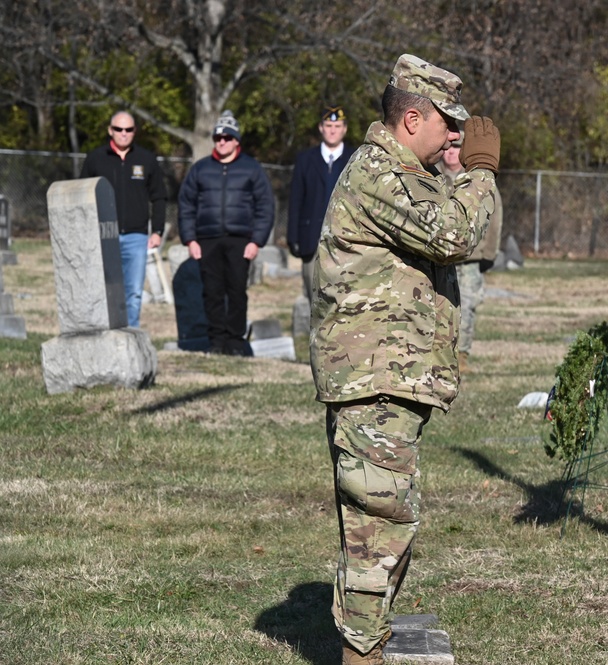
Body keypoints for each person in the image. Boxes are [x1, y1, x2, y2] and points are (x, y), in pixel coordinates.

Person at [310, 54, 500, 665]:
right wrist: (480, 170)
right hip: (374, 377)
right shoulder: (376, 174)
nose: (455, 134)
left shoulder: (404, 173)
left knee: (387, 520)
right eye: (448, 122)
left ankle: (368, 638)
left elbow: (459, 235)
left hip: (389, 375)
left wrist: (456, 173)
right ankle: (362, 653)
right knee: (378, 525)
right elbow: (455, 235)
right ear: (411, 116)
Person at [177, 110, 275, 355]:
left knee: (236, 292)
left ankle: (234, 340)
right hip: (207, 240)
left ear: (236, 140)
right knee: (212, 292)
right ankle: (217, 341)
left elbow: (265, 206)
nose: (222, 141)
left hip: (240, 241)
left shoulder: (251, 168)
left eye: (227, 137)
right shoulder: (200, 169)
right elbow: (186, 205)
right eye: (218, 137)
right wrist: (190, 239)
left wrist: (256, 241)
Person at [80, 110, 167, 329]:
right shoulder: (95, 159)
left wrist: (157, 231)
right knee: (105, 289)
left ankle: (130, 337)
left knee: (134, 292)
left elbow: (159, 197)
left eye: (128, 129)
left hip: (136, 237)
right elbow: (82, 195)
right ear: (110, 130)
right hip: (103, 235)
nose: (124, 134)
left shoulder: (146, 160)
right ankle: (104, 333)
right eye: (119, 129)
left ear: (134, 131)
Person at [437, 132, 503, 373]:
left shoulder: (477, 179)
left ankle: (462, 355)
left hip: (471, 258)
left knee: (468, 306)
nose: (452, 152)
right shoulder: (432, 177)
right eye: (449, 147)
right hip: (440, 257)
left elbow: (494, 217)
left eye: (457, 148)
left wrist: (489, 254)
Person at [287, 105, 357, 299]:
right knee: (314, 297)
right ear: (321, 128)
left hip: (345, 240)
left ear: (344, 129)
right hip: (312, 240)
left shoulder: (355, 158)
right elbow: (296, 200)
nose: (332, 130)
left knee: (344, 299)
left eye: (337, 125)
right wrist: (293, 236)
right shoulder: (305, 159)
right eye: (328, 125)